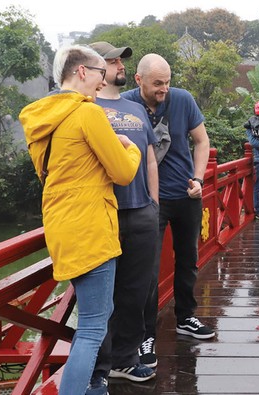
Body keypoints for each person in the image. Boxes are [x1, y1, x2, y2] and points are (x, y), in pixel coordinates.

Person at [19, 45, 141, 395]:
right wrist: (128, 147)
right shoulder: (87, 114)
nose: (103, 84)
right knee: (92, 328)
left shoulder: (47, 118)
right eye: (101, 74)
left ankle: (92, 390)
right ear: (83, 72)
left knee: (94, 316)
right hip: (91, 227)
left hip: (63, 227)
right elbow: (121, 173)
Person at [122, 54, 216, 362]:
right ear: (139, 80)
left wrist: (200, 178)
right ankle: (145, 336)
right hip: (147, 200)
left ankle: (186, 317)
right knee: (146, 272)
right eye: (157, 84)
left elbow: (202, 141)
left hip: (185, 194)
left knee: (188, 259)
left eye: (168, 82)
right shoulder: (125, 105)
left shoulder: (183, 100)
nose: (164, 89)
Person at [87, 41, 158, 391]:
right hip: (102, 213)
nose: (119, 64)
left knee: (136, 292)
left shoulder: (136, 108)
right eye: (111, 59)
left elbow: (149, 157)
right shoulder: (83, 106)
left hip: (141, 211)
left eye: (120, 59)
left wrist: (153, 203)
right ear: (91, 68)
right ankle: (99, 367)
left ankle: (126, 360)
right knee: (101, 297)